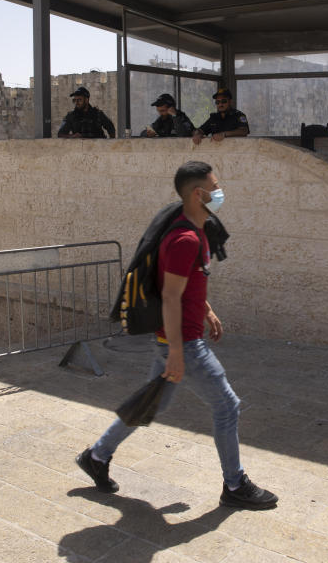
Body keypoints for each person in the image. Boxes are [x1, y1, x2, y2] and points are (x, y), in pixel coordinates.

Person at [76, 161, 278, 510]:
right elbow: (170, 296)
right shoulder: (184, 238)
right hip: (183, 342)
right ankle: (235, 484)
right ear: (198, 194)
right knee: (227, 406)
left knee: (154, 401)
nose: (220, 192)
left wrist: (208, 310)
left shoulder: (197, 229)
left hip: (179, 338)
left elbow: (189, 286)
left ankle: (97, 455)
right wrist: (175, 351)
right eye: (215, 187)